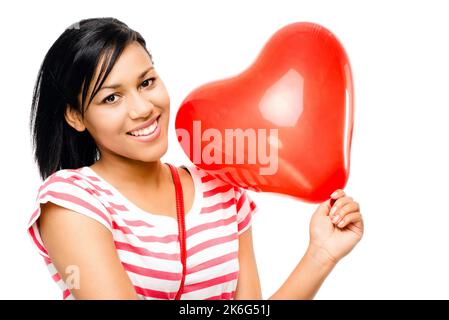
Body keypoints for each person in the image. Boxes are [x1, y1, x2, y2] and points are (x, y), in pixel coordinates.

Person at [27, 17, 364, 300]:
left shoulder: (221, 186)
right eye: (112, 97)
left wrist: (322, 254)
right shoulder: (73, 201)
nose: (143, 109)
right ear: (75, 116)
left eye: (147, 82)